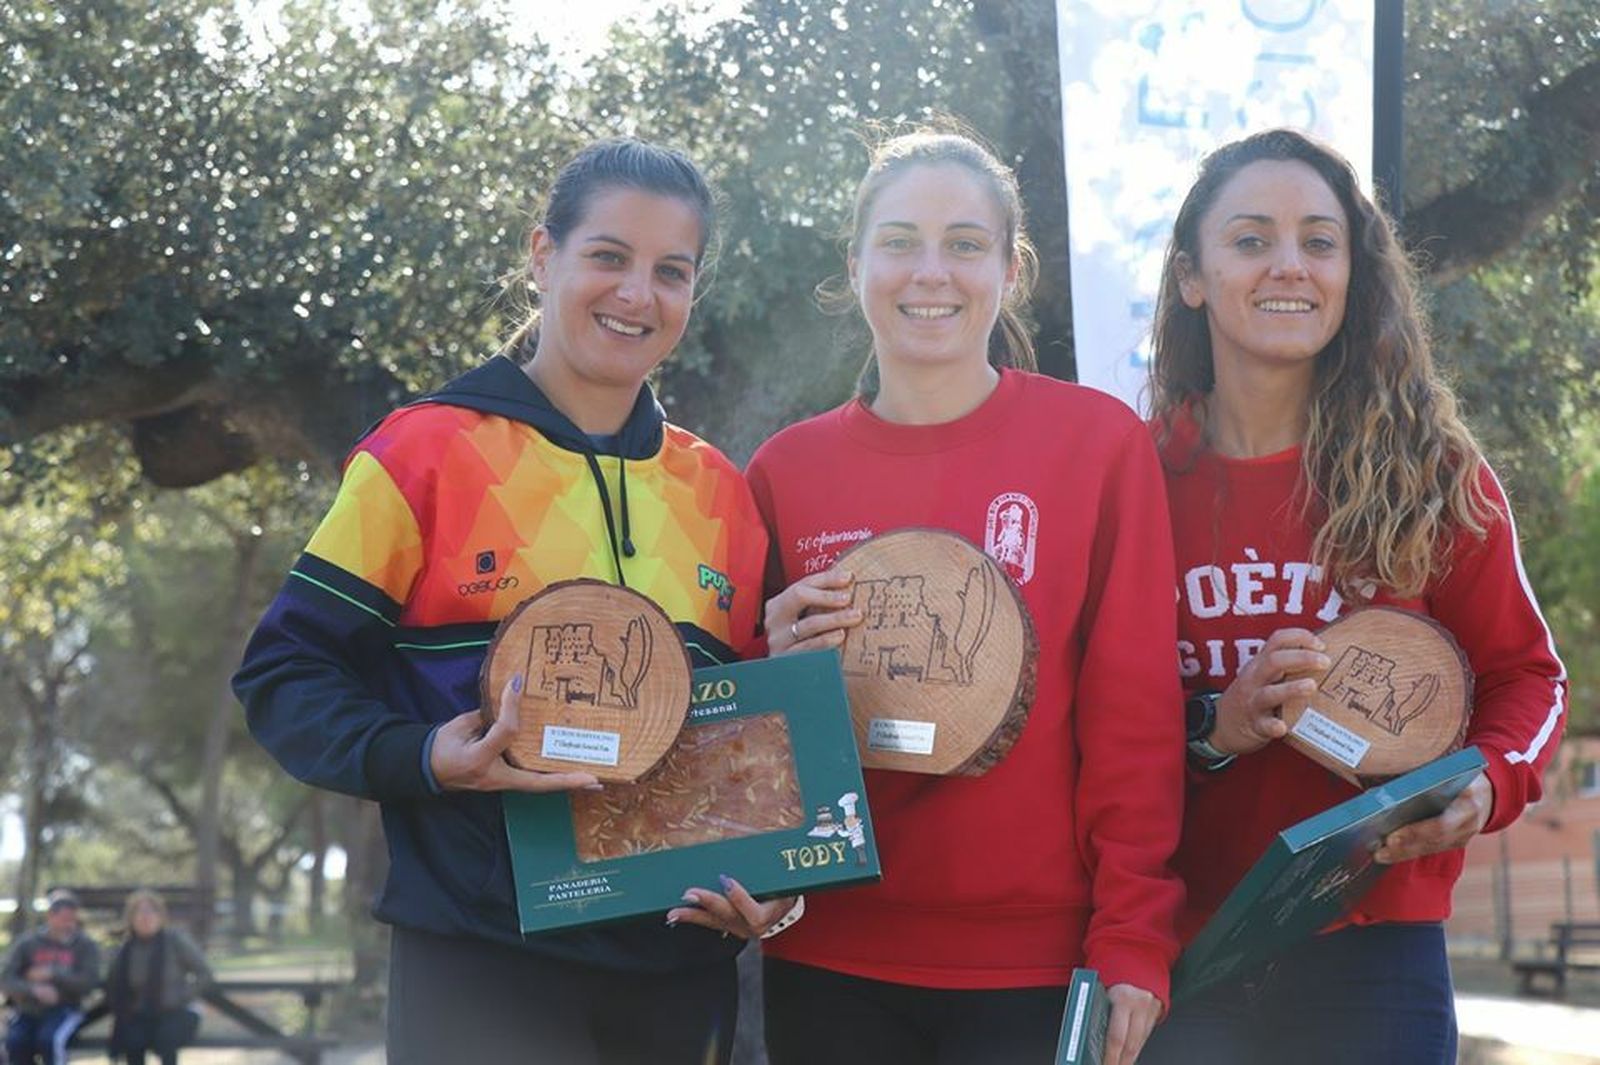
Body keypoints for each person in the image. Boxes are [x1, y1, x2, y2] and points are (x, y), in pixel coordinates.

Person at [233, 138, 774, 1064]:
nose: (637, 294)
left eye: (670, 271)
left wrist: (771, 878)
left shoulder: (723, 492)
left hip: (682, 964)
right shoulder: (425, 453)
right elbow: (284, 675)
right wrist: (426, 756)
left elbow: (751, 740)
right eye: (608, 256)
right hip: (480, 955)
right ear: (541, 254)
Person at [745, 126, 1185, 1065]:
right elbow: (746, 739)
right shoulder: (787, 470)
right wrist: (766, 666)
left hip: (1033, 968)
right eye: (899, 241)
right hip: (830, 956)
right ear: (857, 262)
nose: (930, 271)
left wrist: (1134, 932)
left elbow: (1136, 713)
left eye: (965, 244)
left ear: (1011, 268)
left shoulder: (1097, 447)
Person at [1138, 128, 1568, 1065]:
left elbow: (1531, 679)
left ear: (1352, 273)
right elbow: (1088, 726)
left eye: (1319, 240)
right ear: (1192, 277)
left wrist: (1488, 783)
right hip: (1182, 950)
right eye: (1251, 239)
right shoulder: (1132, 479)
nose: (1288, 264)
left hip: (1376, 944)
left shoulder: (1431, 473)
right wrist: (1217, 725)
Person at [106, 890, 213, 1065]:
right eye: (139, 912)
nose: (145, 917)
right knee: (133, 1041)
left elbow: (204, 973)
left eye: (150, 911)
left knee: (166, 1039)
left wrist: (182, 996)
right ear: (131, 918)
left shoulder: (175, 941)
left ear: (160, 916)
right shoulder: (125, 950)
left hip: (174, 1013)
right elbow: (113, 984)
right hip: (138, 1016)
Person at [1, 888, 102, 1065]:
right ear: (50, 916)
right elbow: (6, 978)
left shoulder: (85, 946)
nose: (69, 925)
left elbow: (89, 982)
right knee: (15, 1042)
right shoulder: (28, 943)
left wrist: (54, 974)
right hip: (28, 1011)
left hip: (66, 1009)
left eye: (72, 920)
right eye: (64, 919)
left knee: (50, 1041)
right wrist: (33, 990)